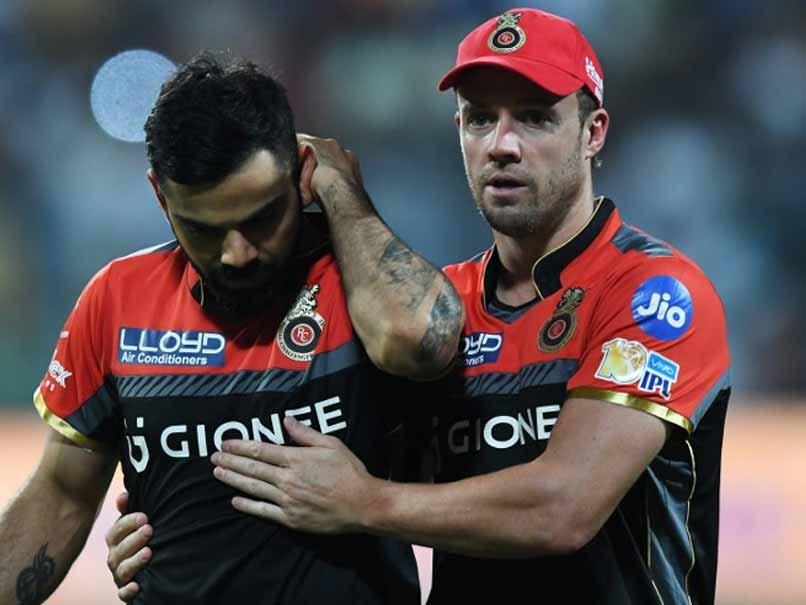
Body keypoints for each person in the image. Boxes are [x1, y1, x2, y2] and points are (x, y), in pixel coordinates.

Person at [108, 8, 732, 605]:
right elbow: (317, 470)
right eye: (479, 119)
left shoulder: (652, 293)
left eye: (535, 118)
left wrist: (366, 503)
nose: (502, 144)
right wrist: (172, 534)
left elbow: (562, 509)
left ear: (593, 132)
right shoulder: (443, 310)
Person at [0, 53, 465, 605]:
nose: (236, 253)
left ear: (302, 173)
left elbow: (421, 342)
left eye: (262, 218)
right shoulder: (118, 300)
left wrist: (342, 193)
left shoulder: (361, 290)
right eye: (204, 229)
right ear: (160, 196)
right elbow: (61, 496)